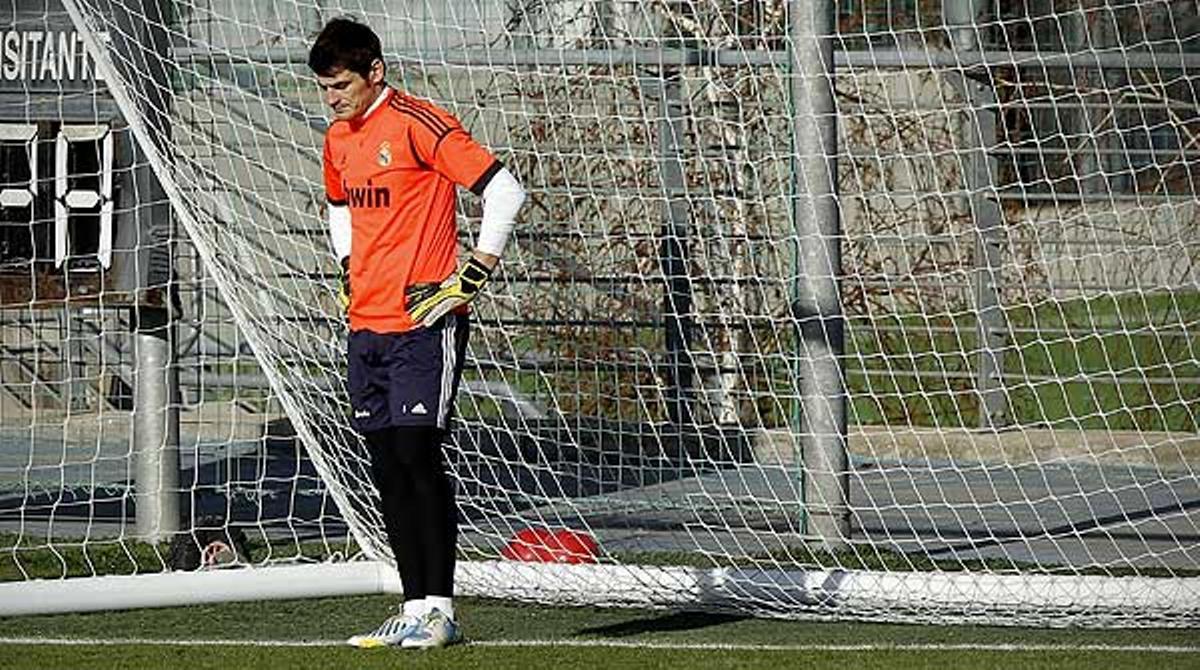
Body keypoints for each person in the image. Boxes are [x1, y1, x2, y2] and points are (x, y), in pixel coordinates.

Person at [308, 17, 525, 649]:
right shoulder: (338, 139)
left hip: (423, 325)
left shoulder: (419, 123)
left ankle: (442, 611)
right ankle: (412, 606)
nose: (332, 98)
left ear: (374, 71)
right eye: (324, 88)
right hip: (366, 326)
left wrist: (472, 274)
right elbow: (339, 208)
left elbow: (505, 191)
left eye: (341, 85)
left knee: (417, 456)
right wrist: (348, 268)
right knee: (385, 467)